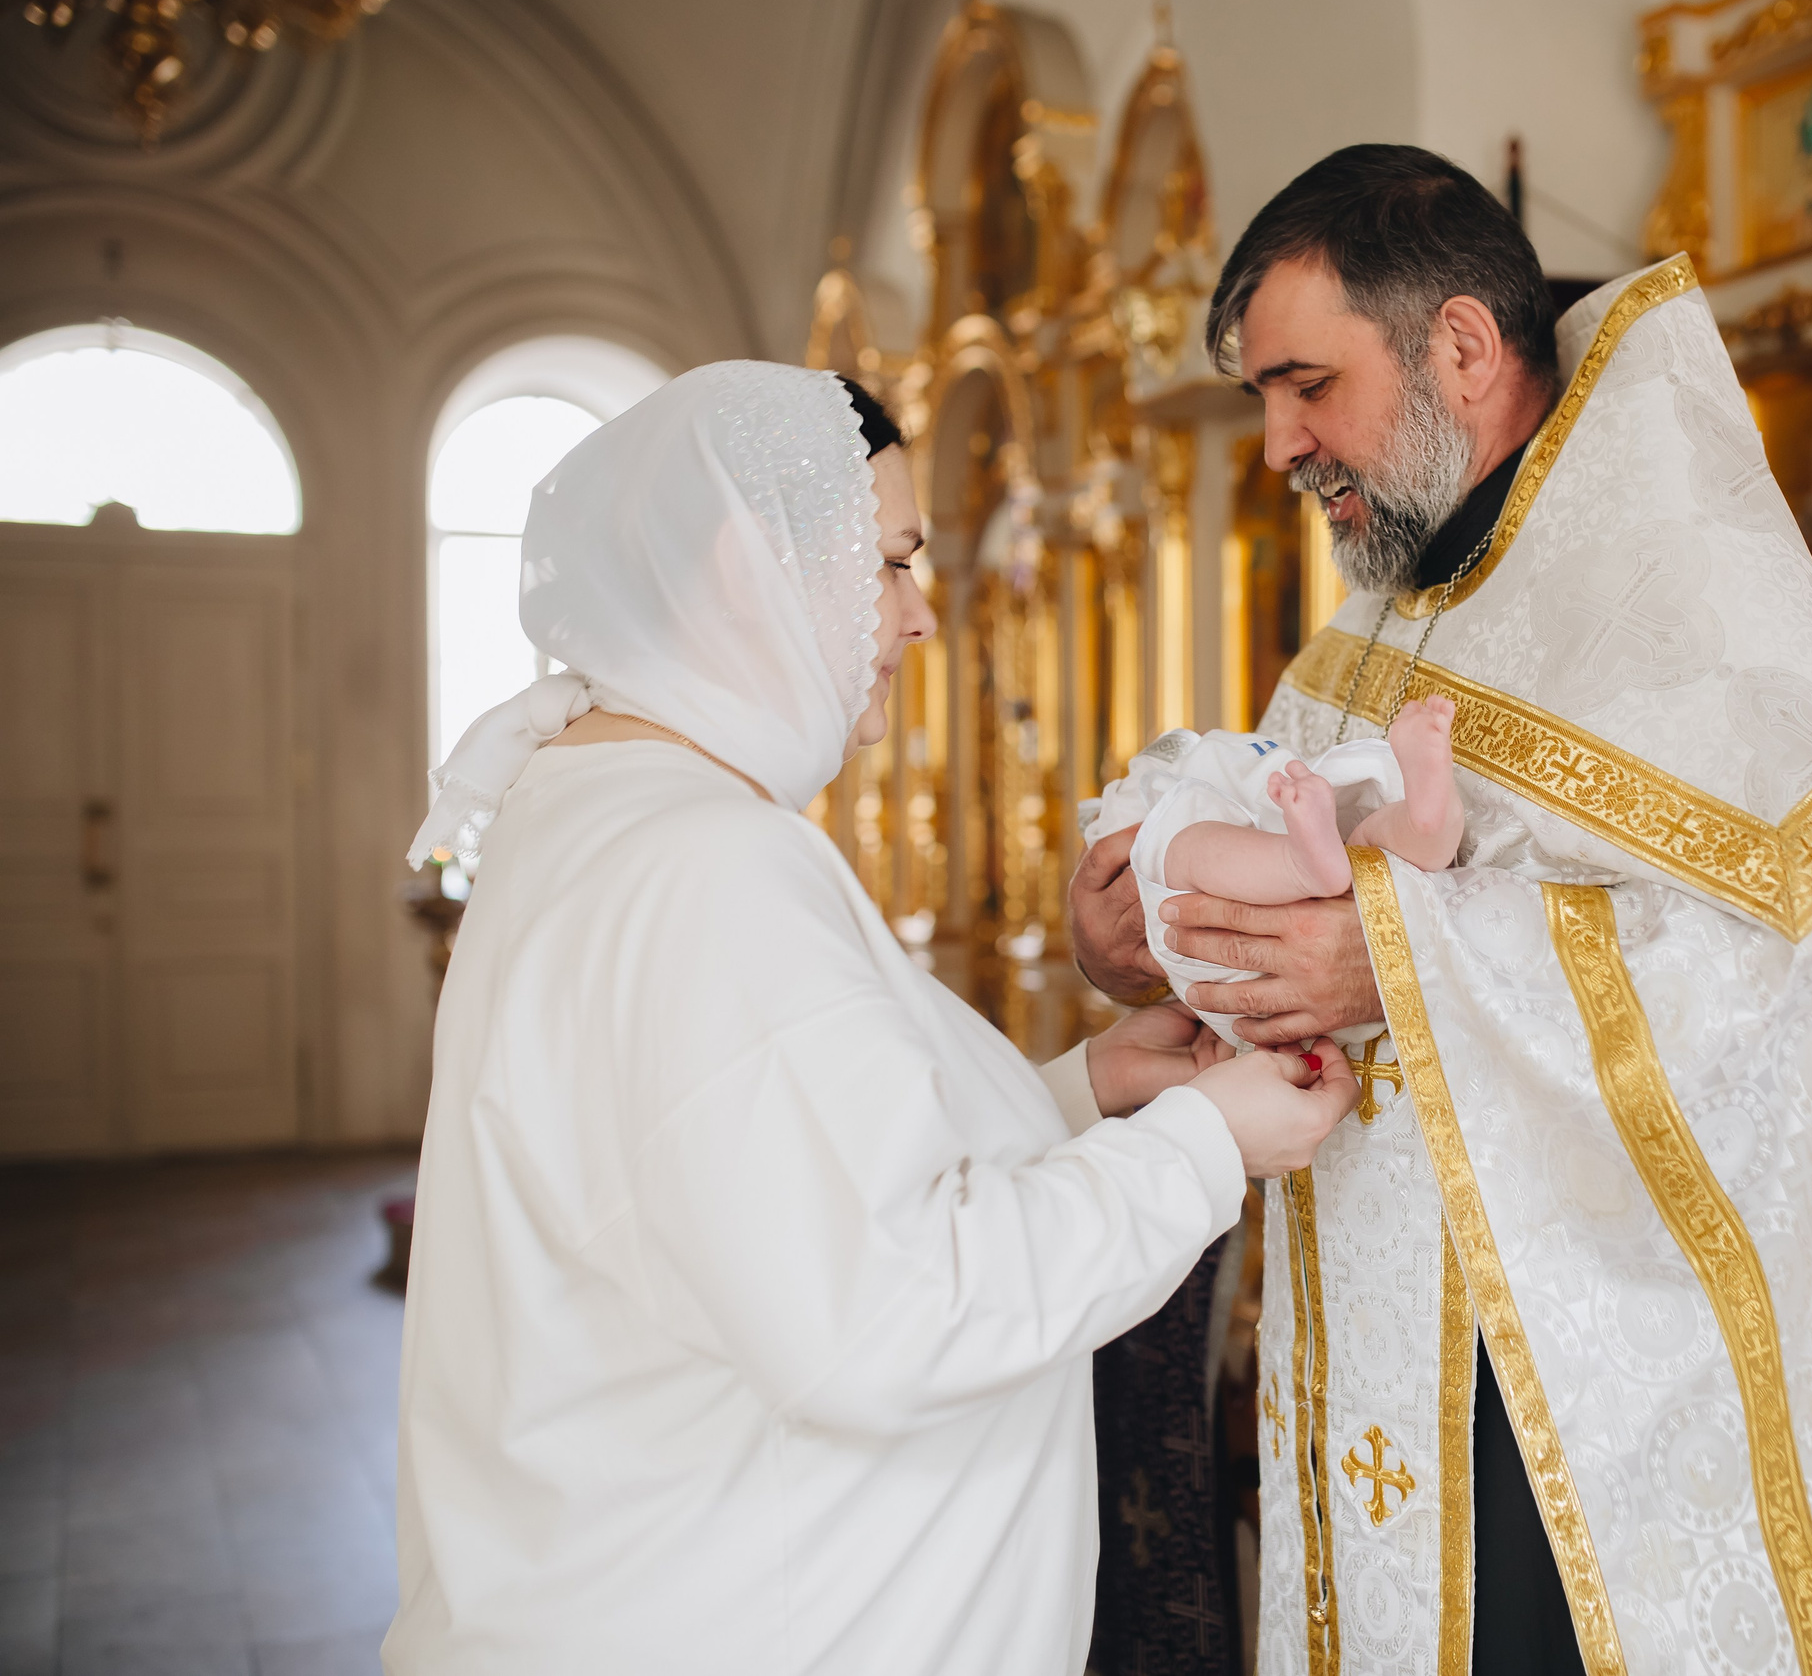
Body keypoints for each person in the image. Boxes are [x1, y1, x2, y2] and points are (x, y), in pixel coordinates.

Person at [1069, 146, 1812, 1675]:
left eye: (1307, 385)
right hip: (1407, 1340)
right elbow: (1291, 876)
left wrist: (1403, 959)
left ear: (1461, 344)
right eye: (1265, 396)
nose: (1278, 444)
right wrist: (1151, 935)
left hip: (1622, 1386)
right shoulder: (1389, 613)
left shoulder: (1689, 596)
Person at [385, 362, 1358, 1675]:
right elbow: (898, 1314)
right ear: (747, 571)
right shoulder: (707, 864)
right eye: (891, 562)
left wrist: (1088, 1091)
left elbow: (756, 1183)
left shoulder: (600, 808)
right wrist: (1204, 1143)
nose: (919, 614)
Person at [1084, 696, 1462, 1048]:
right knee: (1178, 848)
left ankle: (1420, 826)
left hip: (1309, 881)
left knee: (1364, 852)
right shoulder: (1118, 809)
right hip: (1247, 968)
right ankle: (1323, 861)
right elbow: (1122, 848)